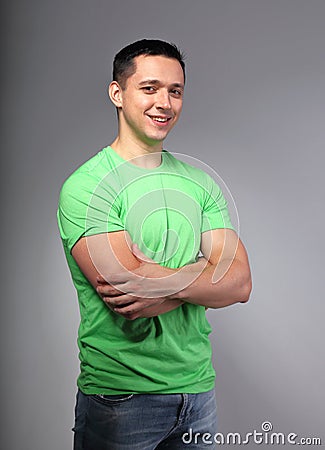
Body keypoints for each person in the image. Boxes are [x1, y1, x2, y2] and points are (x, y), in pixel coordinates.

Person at [57, 39, 252, 450]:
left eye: (175, 91)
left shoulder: (200, 182)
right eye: (149, 88)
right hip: (121, 399)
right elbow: (125, 289)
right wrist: (202, 271)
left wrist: (158, 281)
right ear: (117, 93)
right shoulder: (87, 186)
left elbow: (239, 283)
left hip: (197, 392)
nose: (164, 102)